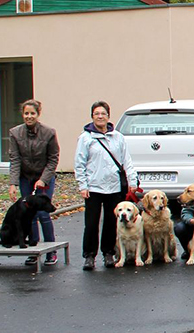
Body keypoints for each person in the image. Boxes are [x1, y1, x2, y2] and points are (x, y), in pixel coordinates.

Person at [75, 101, 140, 271]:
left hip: (114, 187)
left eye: (103, 113)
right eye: (97, 114)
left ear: (108, 116)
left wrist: (132, 181)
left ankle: (109, 253)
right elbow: (79, 163)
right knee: (91, 223)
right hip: (93, 187)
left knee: (112, 222)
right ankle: (89, 256)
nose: (100, 116)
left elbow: (127, 161)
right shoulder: (85, 138)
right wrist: (83, 185)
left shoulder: (118, 137)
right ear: (92, 117)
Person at [8, 99, 60, 266]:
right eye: (26, 113)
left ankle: (51, 251)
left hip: (44, 177)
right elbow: (14, 159)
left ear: (38, 114)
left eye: (32, 113)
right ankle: (33, 250)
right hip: (25, 177)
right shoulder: (15, 133)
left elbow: (53, 159)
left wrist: (43, 179)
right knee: (27, 213)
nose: (29, 116)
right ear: (22, 114)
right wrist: (13, 183)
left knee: (43, 213)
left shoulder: (49, 133)